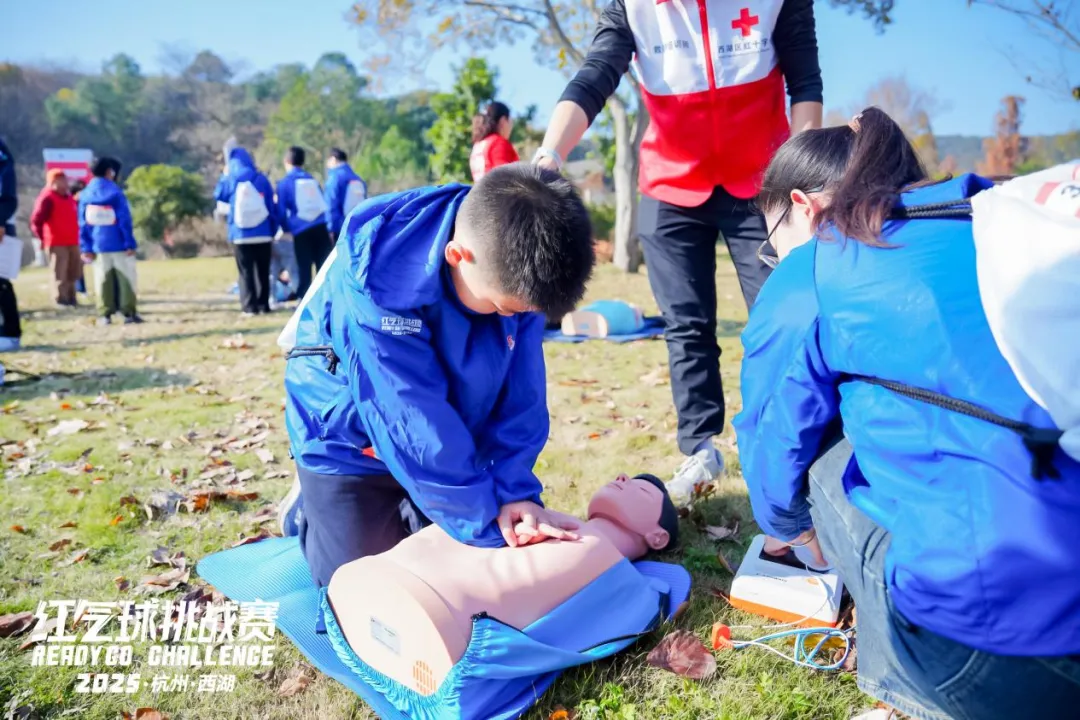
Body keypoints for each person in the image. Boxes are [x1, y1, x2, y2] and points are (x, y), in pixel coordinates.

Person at [733, 108, 1080, 719]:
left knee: (819, 449)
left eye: (773, 242)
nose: (775, 259)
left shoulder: (817, 265)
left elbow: (769, 444)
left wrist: (795, 534)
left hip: (1006, 650)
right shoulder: (991, 213)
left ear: (804, 208)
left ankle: (904, 690)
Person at [538, 0, 823, 506]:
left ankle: (800, 450)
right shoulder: (631, 6)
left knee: (787, 320)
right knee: (686, 326)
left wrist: (803, 181)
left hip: (764, 180)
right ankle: (700, 448)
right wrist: (550, 155)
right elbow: (597, 73)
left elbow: (804, 79)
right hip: (668, 186)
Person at [277, 163, 596, 588]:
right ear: (457, 257)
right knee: (363, 587)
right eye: (504, 308)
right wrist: (484, 521)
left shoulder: (516, 264)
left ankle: (423, 505)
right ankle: (310, 507)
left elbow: (524, 393)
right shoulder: (379, 277)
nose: (513, 318)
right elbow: (408, 417)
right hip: (349, 437)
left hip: (450, 423)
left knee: (459, 572)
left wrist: (514, 492)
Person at [327, 473, 678, 697]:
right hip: (395, 585)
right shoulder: (565, 525)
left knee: (505, 573)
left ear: (658, 537)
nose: (622, 477)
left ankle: (432, 612)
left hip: (441, 622)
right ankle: (403, 586)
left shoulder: (617, 574)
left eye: (641, 489)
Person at [214, 142, 279, 315]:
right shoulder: (261, 178)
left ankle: (249, 307)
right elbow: (271, 206)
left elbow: (219, 195)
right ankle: (263, 305)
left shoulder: (231, 179)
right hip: (263, 232)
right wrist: (273, 229)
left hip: (240, 234)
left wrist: (224, 175)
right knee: (263, 270)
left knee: (245, 272)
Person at [79, 157, 141, 325]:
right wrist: (129, 243)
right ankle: (128, 313)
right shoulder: (116, 193)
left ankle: (105, 314)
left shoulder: (86, 194)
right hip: (119, 243)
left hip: (97, 245)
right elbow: (124, 220)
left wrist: (85, 247)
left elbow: (83, 224)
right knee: (125, 279)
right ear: (109, 172)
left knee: (102, 279)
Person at [277, 146, 332, 299]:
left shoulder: (285, 183)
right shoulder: (312, 179)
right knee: (323, 267)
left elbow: (281, 211)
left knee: (304, 268)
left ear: (286, 161)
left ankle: (305, 298)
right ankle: (326, 298)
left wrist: (286, 228)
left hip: (301, 229)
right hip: (321, 226)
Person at [31, 169, 82, 307]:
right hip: (56, 242)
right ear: (52, 182)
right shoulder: (47, 198)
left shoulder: (69, 197)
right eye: (60, 180)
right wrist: (42, 239)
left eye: (65, 179)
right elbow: (36, 221)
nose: (64, 183)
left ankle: (71, 298)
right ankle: (60, 299)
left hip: (72, 240)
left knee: (73, 271)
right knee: (60, 272)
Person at [0, 138, 21, 352]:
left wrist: (0, 221)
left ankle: (9, 333)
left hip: (2, 223)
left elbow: (7, 193)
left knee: (1, 280)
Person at [324, 147, 367, 244]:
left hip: (341, 227)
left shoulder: (334, 178)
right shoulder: (358, 178)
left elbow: (331, 205)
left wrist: (331, 229)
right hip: (359, 226)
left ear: (333, 159)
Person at [469, 101, 519, 182]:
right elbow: (505, 178)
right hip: (498, 189)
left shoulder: (478, 144)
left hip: (480, 189)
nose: (511, 128)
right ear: (503, 121)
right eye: (510, 122)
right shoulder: (498, 143)